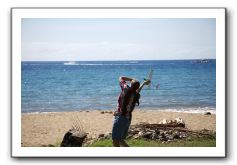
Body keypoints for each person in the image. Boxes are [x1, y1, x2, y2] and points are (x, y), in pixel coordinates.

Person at [112, 76, 151, 147]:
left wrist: (131, 79)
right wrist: (143, 83)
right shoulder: (136, 95)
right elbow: (137, 90)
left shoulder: (126, 89)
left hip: (121, 117)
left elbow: (121, 77)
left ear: (131, 85)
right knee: (120, 140)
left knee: (115, 140)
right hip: (128, 119)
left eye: (131, 83)